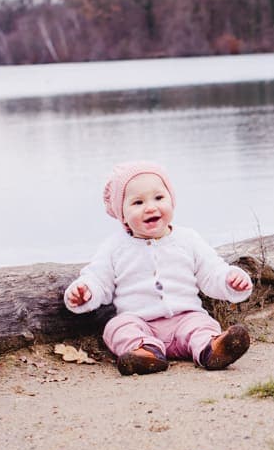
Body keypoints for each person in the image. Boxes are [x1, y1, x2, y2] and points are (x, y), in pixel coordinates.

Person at [63, 161, 253, 375]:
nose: (151, 207)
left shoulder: (187, 239)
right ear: (122, 214)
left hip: (185, 317)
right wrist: (85, 291)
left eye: (159, 198)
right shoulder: (114, 247)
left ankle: (212, 350)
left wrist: (230, 280)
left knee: (202, 325)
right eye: (137, 202)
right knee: (116, 327)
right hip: (141, 322)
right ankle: (145, 352)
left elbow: (211, 272)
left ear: (172, 200)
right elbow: (98, 279)